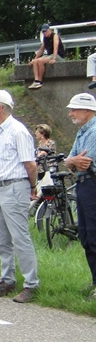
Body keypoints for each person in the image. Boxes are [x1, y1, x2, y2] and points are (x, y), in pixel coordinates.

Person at [0, 90, 39, 303]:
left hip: (15, 186)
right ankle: (7, 279)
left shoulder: (17, 131)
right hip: (0, 186)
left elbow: (30, 164)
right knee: (2, 237)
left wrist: (32, 186)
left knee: (20, 237)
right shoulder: (2, 131)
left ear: (0, 107)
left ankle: (31, 283)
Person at [63, 93, 96, 301]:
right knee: (85, 235)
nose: (70, 113)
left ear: (87, 111)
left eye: (74, 109)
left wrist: (73, 161)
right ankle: (95, 280)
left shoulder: (94, 131)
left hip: (92, 184)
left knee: (94, 235)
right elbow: (70, 161)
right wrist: (73, 161)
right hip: (83, 186)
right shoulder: (82, 132)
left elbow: (86, 161)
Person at [28, 23, 63, 90]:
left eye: (45, 31)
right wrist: (34, 59)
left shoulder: (55, 36)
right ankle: (36, 80)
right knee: (35, 61)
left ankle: (40, 81)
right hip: (49, 55)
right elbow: (41, 50)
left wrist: (54, 59)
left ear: (49, 30)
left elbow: (56, 48)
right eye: (43, 32)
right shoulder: (45, 38)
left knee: (41, 61)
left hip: (57, 55)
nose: (44, 33)